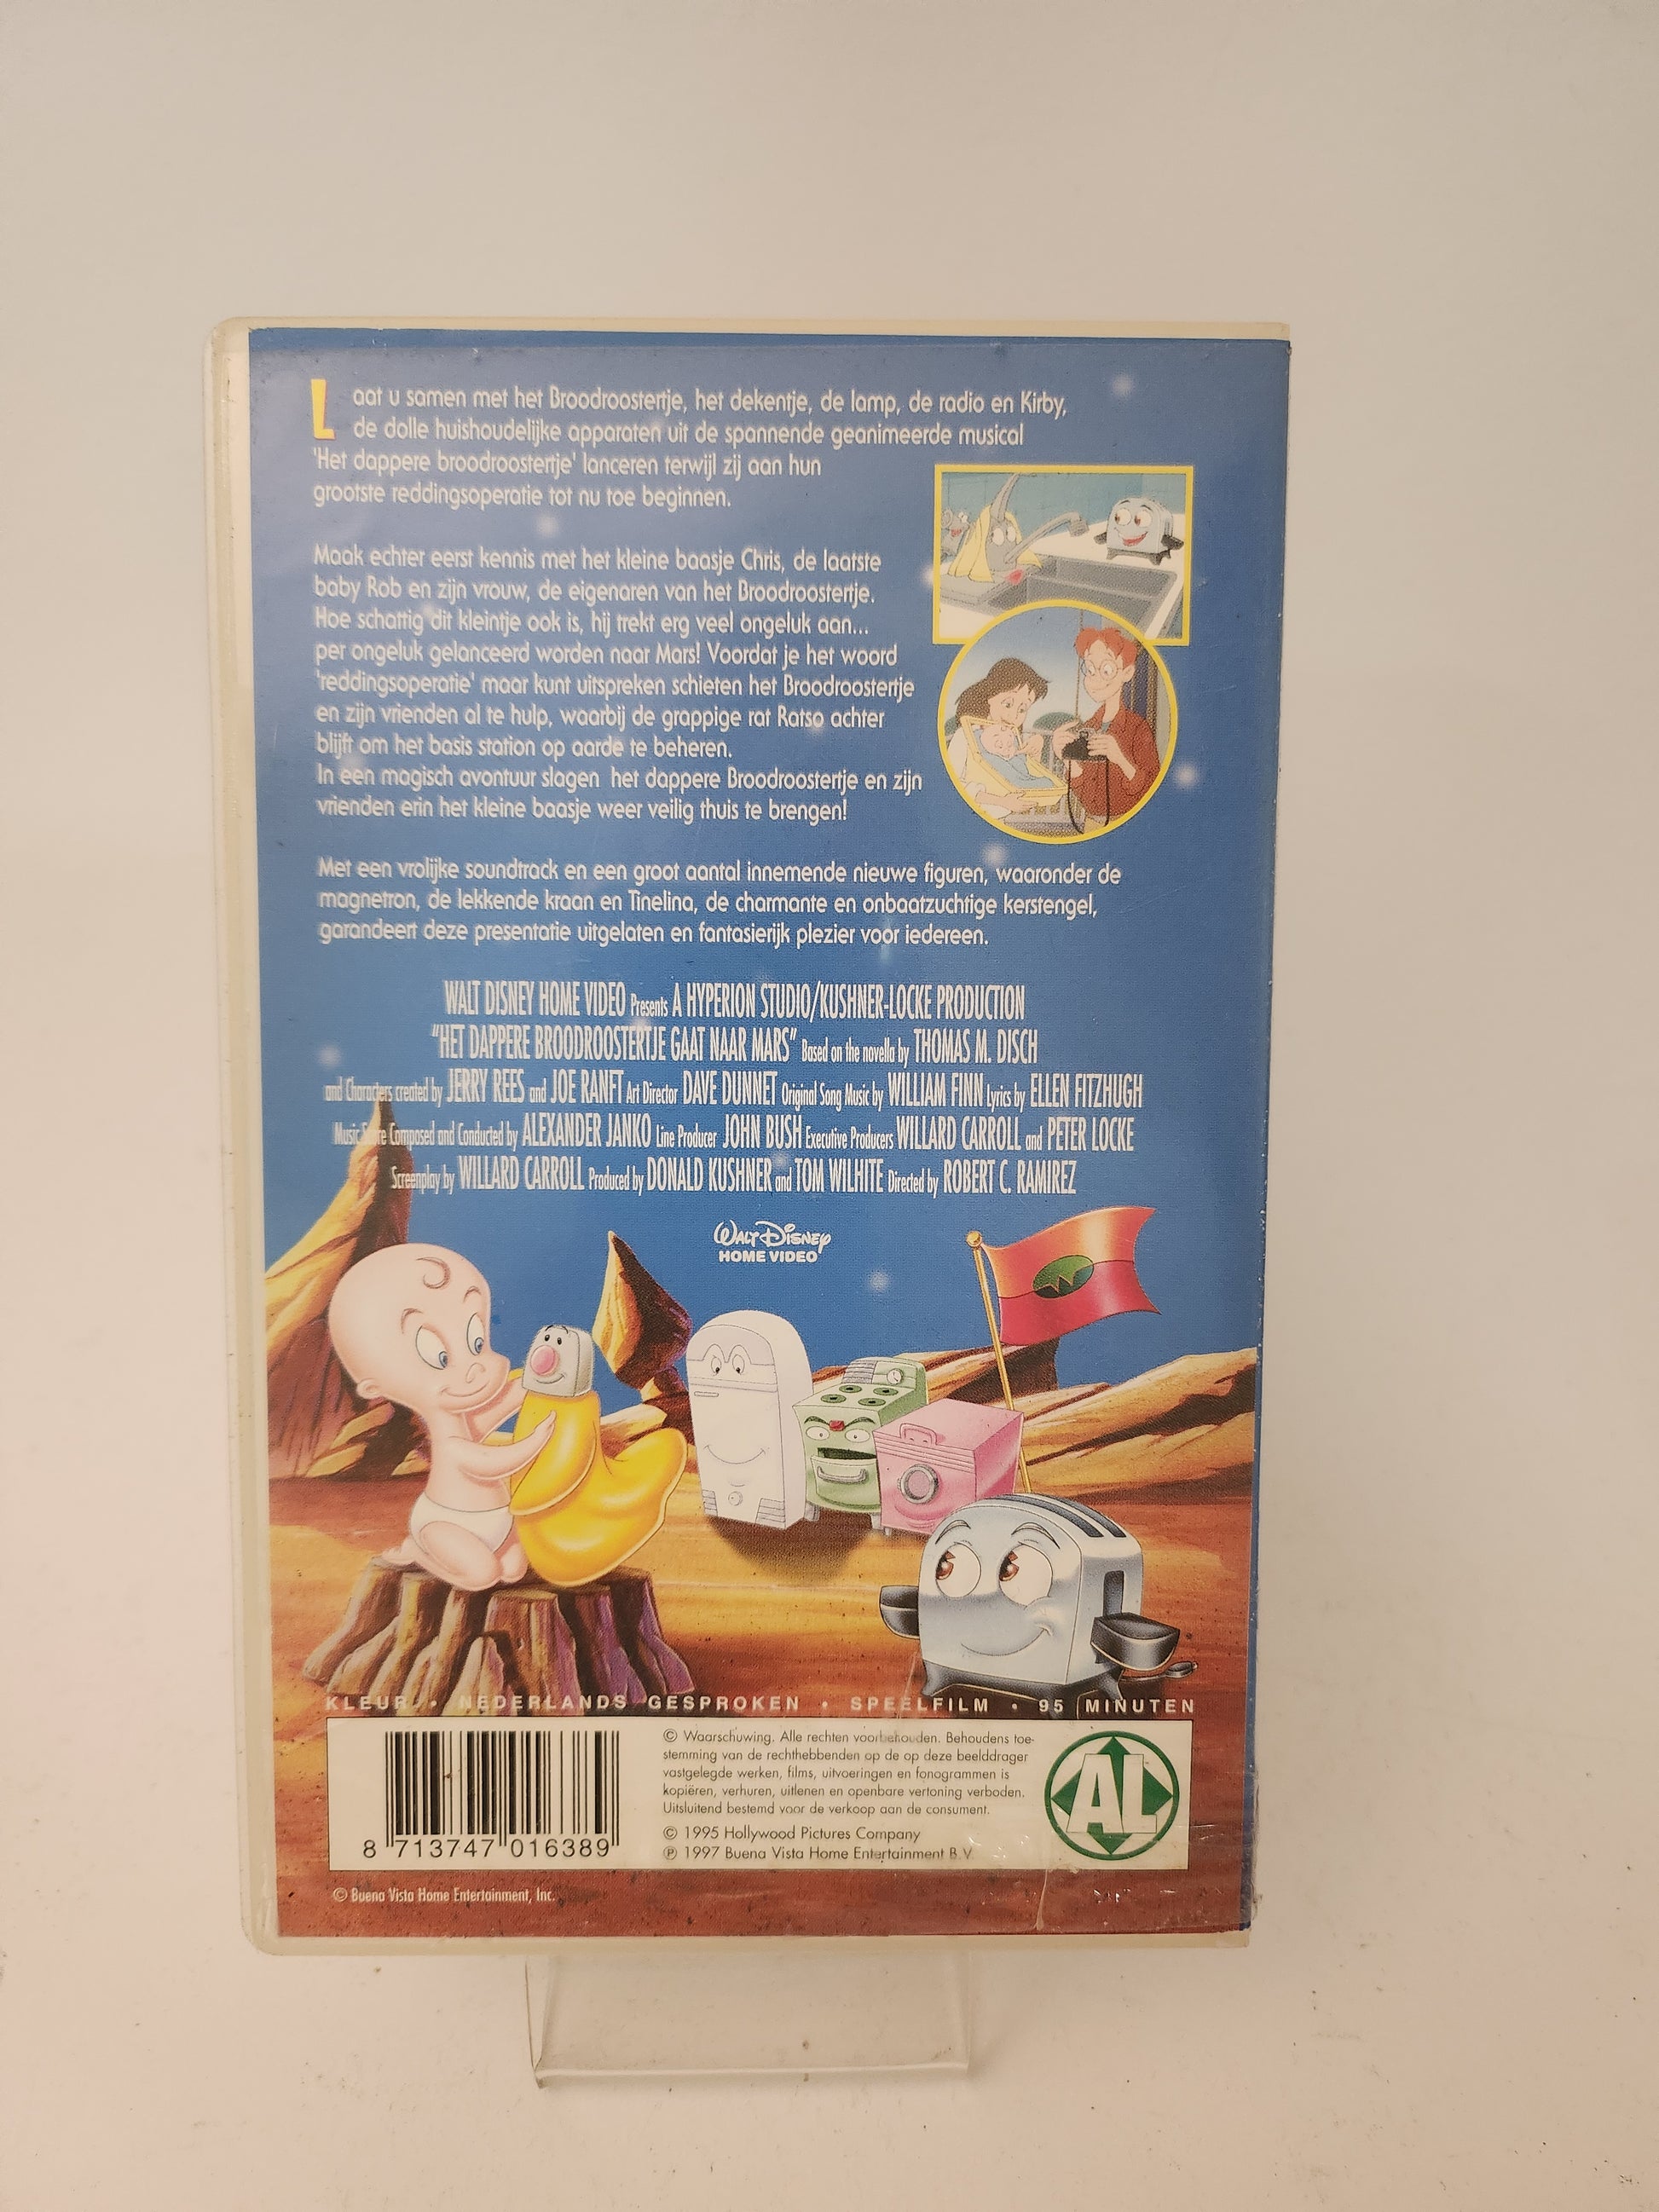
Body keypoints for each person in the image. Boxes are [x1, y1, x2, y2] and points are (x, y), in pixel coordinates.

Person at [1055, 623, 1161, 825]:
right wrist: (1066, 758)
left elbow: (1152, 789)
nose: (1094, 679)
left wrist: (1120, 758)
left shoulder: (1138, 728)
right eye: (1089, 669)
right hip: (1091, 823)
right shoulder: (1088, 727)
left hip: (1127, 824)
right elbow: (1085, 792)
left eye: (1106, 669)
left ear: (1127, 673)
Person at [947, 655, 1065, 822]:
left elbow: (1022, 773)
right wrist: (1002, 801)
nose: (1013, 715)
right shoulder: (966, 736)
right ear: (990, 697)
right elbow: (954, 785)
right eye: (1008, 704)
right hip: (968, 819)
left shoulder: (1011, 738)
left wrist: (1034, 752)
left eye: (1022, 709)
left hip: (1000, 821)